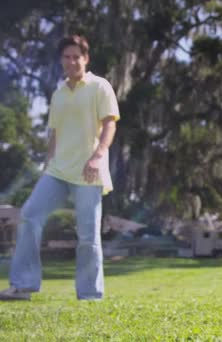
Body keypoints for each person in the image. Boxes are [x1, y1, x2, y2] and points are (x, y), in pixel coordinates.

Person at [0, 35, 119, 301]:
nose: (71, 61)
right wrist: (47, 165)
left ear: (86, 59)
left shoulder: (100, 87)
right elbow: (55, 134)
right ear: (61, 60)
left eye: (77, 56)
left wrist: (99, 156)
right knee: (29, 215)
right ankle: (22, 285)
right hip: (57, 172)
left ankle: (90, 294)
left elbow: (110, 123)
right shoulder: (58, 93)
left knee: (88, 236)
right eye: (66, 57)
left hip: (88, 172)